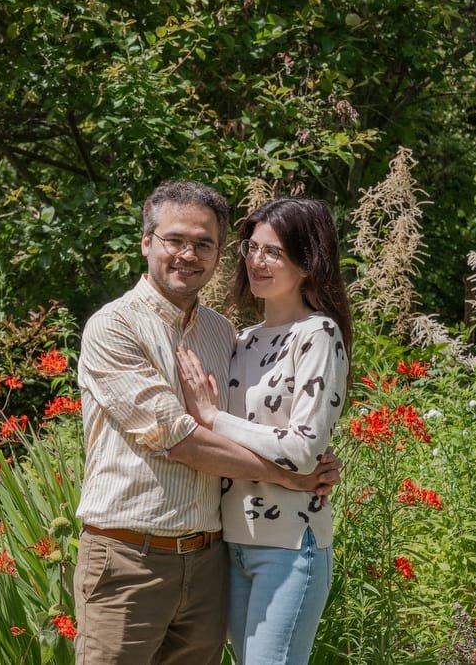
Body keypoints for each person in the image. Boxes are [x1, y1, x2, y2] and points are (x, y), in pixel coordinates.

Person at [75, 181, 341, 665]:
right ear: (146, 241)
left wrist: (309, 458)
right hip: (130, 559)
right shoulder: (114, 326)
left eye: (204, 244)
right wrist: (290, 475)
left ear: (218, 253)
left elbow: (268, 424)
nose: (187, 254)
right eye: (174, 239)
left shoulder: (223, 334)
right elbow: (176, 439)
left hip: (211, 561)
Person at [175, 197, 352, 665]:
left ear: (308, 260)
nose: (257, 261)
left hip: (290, 546)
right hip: (231, 543)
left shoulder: (318, 335)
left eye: (273, 251)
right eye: (252, 249)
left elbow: (302, 450)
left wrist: (214, 417)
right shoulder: (243, 341)